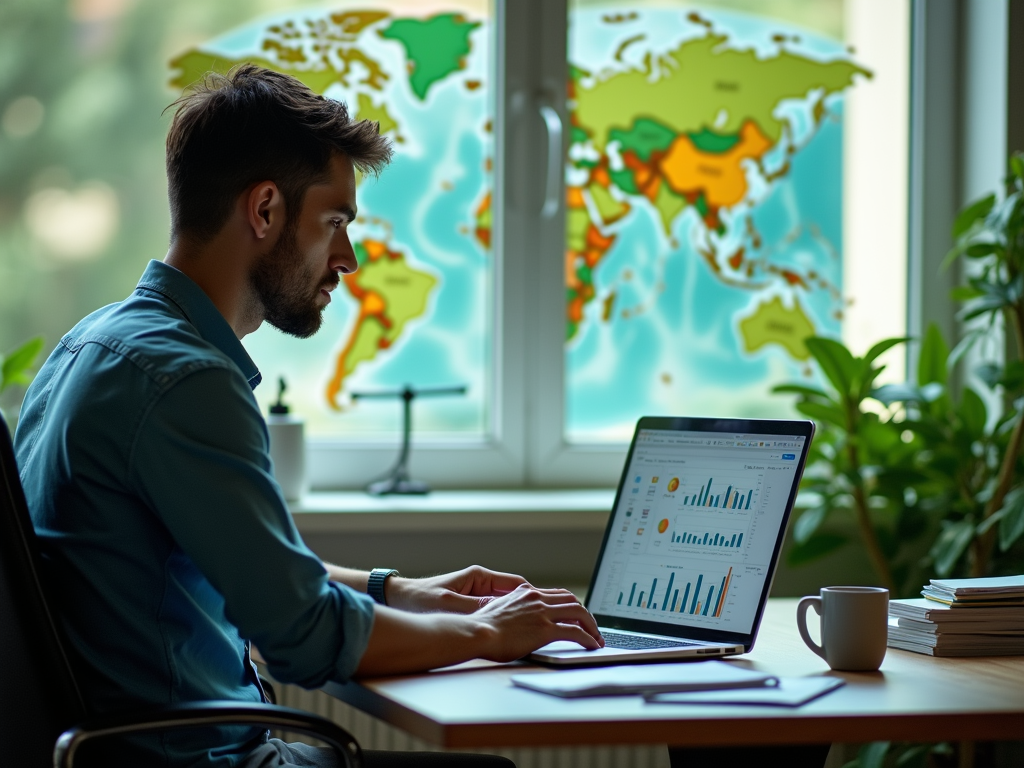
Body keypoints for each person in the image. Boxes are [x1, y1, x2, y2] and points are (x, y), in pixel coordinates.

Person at [14, 64, 603, 768]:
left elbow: (256, 571)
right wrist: (487, 633)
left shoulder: (90, 345)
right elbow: (303, 635)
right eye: (335, 222)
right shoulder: (187, 382)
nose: (347, 258)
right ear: (264, 211)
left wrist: (405, 592)